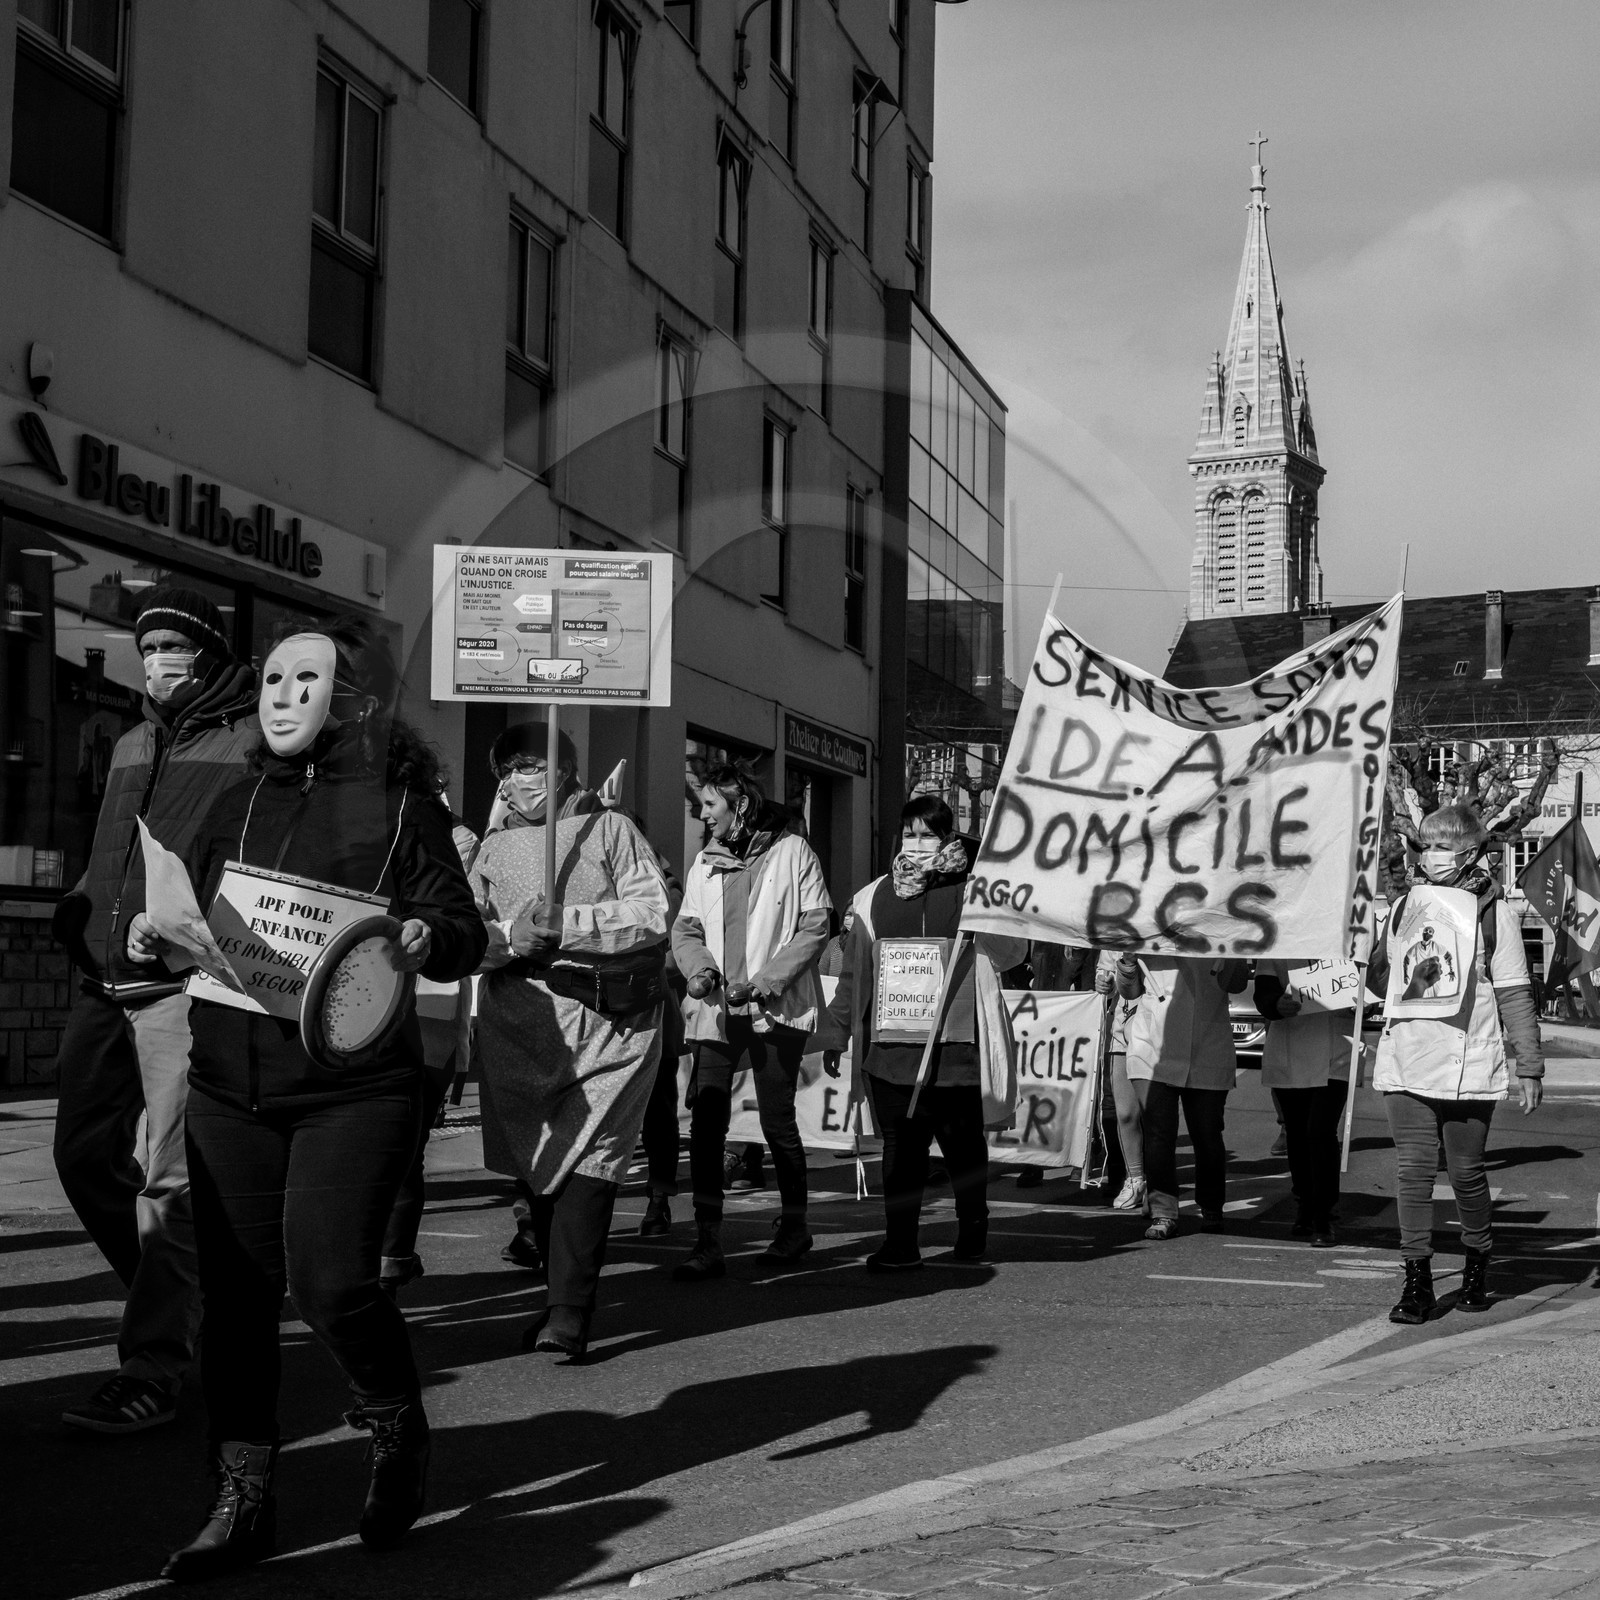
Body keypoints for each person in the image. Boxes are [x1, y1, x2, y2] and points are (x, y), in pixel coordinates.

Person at [133, 615, 486, 1579]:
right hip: (227, 1086)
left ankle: (395, 1424)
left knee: (332, 1283)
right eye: (272, 679)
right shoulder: (230, 800)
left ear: (354, 701)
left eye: (305, 679)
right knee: (239, 1304)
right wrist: (149, 938)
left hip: (351, 1089)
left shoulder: (402, 809)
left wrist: (423, 937)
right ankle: (241, 1496)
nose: (281, 697)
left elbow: (461, 926)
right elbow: (180, 917)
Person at [50, 586, 257, 1436]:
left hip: (182, 985)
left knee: (169, 1183)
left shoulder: (252, 741)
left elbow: (250, 866)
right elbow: (110, 847)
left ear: (208, 653)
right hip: (101, 981)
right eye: (150, 648)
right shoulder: (133, 737)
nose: (160, 661)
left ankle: (154, 1364)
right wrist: (81, 906)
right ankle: (181, 1299)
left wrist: (187, 931)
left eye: (176, 645)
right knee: (81, 1157)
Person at [468, 722, 671, 1355]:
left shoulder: (611, 830)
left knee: (591, 1160)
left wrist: (573, 923)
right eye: (505, 771)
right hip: (520, 1025)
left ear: (561, 771)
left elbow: (653, 912)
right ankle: (557, 1295)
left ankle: (569, 1310)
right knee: (541, 1165)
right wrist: (506, 938)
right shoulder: (492, 850)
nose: (513, 782)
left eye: (527, 767)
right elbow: (468, 931)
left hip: (607, 1023)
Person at [817, 795, 1024, 1270]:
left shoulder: (975, 893)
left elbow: (1012, 953)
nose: (917, 843)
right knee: (901, 1150)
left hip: (957, 1050)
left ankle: (973, 1230)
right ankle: (900, 1243)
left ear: (947, 837)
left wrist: (993, 907)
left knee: (963, 1147)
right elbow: (853, 975)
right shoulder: (871, 898)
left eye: (927, 834)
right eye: (909, 833)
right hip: (891, 1052)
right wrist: (837, 1030)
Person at [1368, 803, 1544, 1324]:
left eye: (1444, 845)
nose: (1433, 855)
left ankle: (1476, 1263)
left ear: (1470, 852)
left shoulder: (1496, 912)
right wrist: (1372, 945)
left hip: (1471, 1056)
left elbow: (1514, 992)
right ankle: (1416, 1282)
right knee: (1414, 1173)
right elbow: (1383, 982)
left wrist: (1528, 1065)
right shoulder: (1405, 907)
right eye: (1428, 845)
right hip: (1410, 1053)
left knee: (1466, 1174)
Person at [671, 765, 832, 1279]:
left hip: (773, 1008)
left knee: (776, 1121)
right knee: (707, 1123)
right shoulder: (704, 863)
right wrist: (698, 971)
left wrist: (765, 983)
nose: (703, 815)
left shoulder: (793, 852)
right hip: (717, 1010)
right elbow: (686, 928)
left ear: (740, 805)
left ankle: (794, 1228)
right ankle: (707, 1239)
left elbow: (815, 927)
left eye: (711, 805)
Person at [380, 806, 481, 1294]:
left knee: (404, 1144)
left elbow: (461, 920)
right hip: (356, 1002)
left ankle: (391, 1263)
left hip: (426, 1004)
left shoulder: (448, 837)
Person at [1116, 953, 1247, 1240]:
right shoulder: (1150, 924)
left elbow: (1235, 984)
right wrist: (1127, 961)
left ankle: (1212, 1207)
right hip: (1152, 1045)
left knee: (1207, 1133)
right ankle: (1164, 1212)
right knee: (1158, 1134)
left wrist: (1235, 950)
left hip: (1207, 1044)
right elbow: (1130, 991)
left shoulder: (1220, 925)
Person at [1253, 962, 1355, 1247]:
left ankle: (1324, 1216)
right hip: (1290, 1047)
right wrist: (1276, 1004)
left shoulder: (1348, 933)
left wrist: (1365, 1004)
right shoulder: (1280, 939)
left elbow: (1368, 983)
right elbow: (1264, 994)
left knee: (1320, 1131)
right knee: (1297, 1133)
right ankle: (1305, 1205)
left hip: (1336, 1048)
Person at [1093, 951, 1147, 1212]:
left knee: (1154, 1116)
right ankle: (1134, 1179)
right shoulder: (1115, 933)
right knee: (1124, 1114)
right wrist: (1104, 983)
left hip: (1156, 1034)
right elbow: (1104, 973)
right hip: (1121, 1032)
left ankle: (1155, 1183)